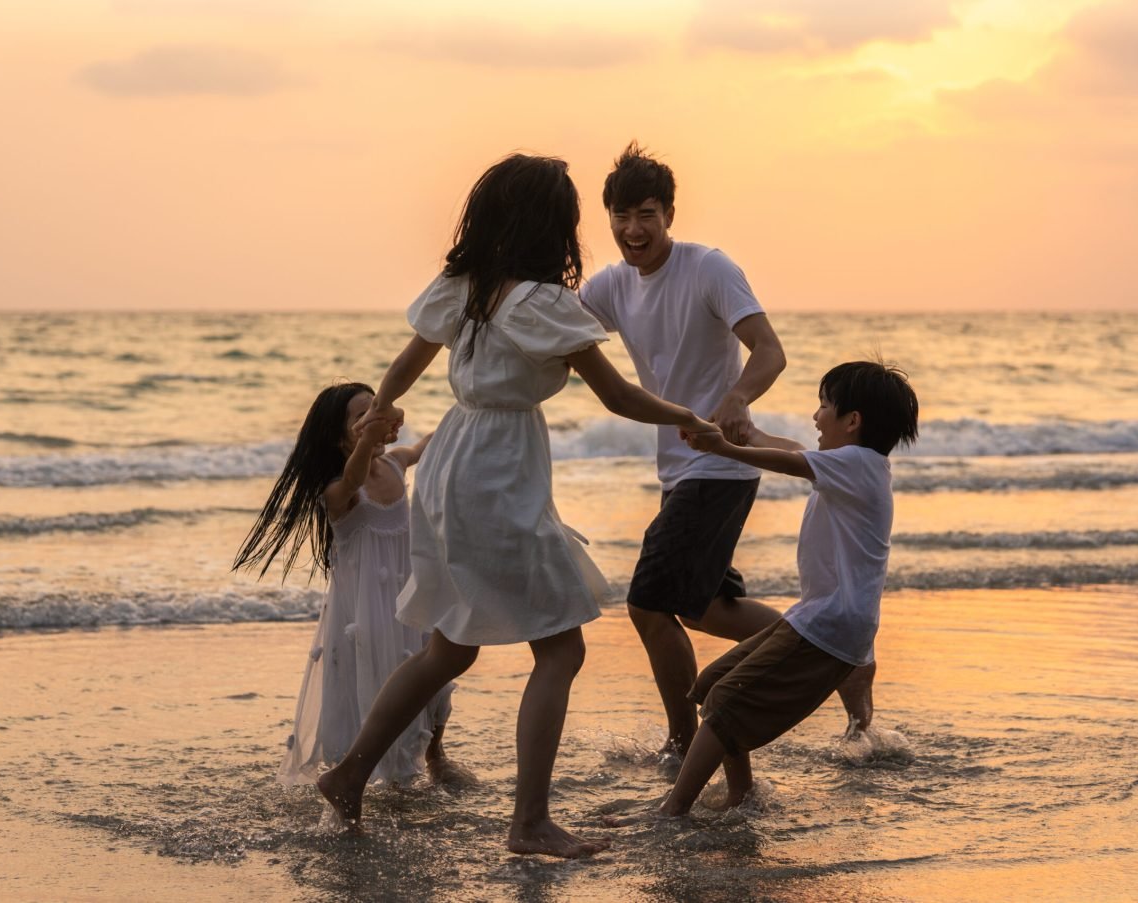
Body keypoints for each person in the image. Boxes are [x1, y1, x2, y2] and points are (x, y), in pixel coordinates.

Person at [315, 153, 719, 858]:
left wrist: (381, 410)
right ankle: (528, 821)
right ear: (552, 227)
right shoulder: (543, 304)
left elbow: (407, 363)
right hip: (499, 471)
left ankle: (350, 774)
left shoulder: (464, 287)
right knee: (561, 646)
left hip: (452, 465)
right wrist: (692, 415)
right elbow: (619, 396)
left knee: (450, 646)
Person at [580, 141, 875, 759]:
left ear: (669, 216)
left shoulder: (708, 268)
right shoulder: (610, 286)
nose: (634, 231)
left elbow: (769, 350)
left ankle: (684, 742)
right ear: (607, 217)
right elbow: (554, 330)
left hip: (720, 464)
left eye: (647, 215)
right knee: (709, 607)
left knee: (648, 604)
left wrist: (739, 397)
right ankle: (837, 655)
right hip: (678, 469)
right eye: (621, 217)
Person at [610, 360, 918, 820]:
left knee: (723, 704)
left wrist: (723, 449)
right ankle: (743, 798)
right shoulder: (855, 465)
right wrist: (741, 433)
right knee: (711, 687)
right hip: (816, 617)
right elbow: (791, 447)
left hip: (829, 627)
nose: (816, 416)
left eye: (825, 406)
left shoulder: (858, 465)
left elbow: (789, 460)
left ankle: (673, 808)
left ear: (852, 421)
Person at [232, 382, 457, 788]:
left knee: (436, 674)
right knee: (377, 682)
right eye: (362, 417)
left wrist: (468, 410)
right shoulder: (337, 490)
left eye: (378, 409)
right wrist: (370, 434)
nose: (376, 419)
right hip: (366, 612)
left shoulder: (394, 465)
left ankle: (435, 754)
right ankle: (374, 772)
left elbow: (425, 446)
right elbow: (353, 478)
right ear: (338, 436)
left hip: (411, 595)